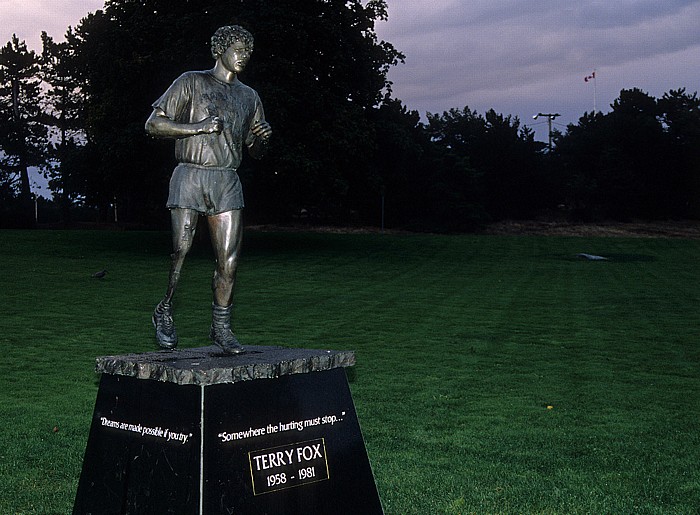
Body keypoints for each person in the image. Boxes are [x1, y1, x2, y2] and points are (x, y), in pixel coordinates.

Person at [145, 25, 272, 354]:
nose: (244, 56)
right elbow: (153, 124)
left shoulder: (249, 96)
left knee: (229, 260)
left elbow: (254, 150)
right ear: (220, 49)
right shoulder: (191, 82)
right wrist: (197, 128)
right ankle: (164, 310)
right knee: (181, 252)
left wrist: (261, 139)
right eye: (238, 50)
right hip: (190, 174)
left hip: (226, 179)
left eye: (248, 52)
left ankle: (221, 326)